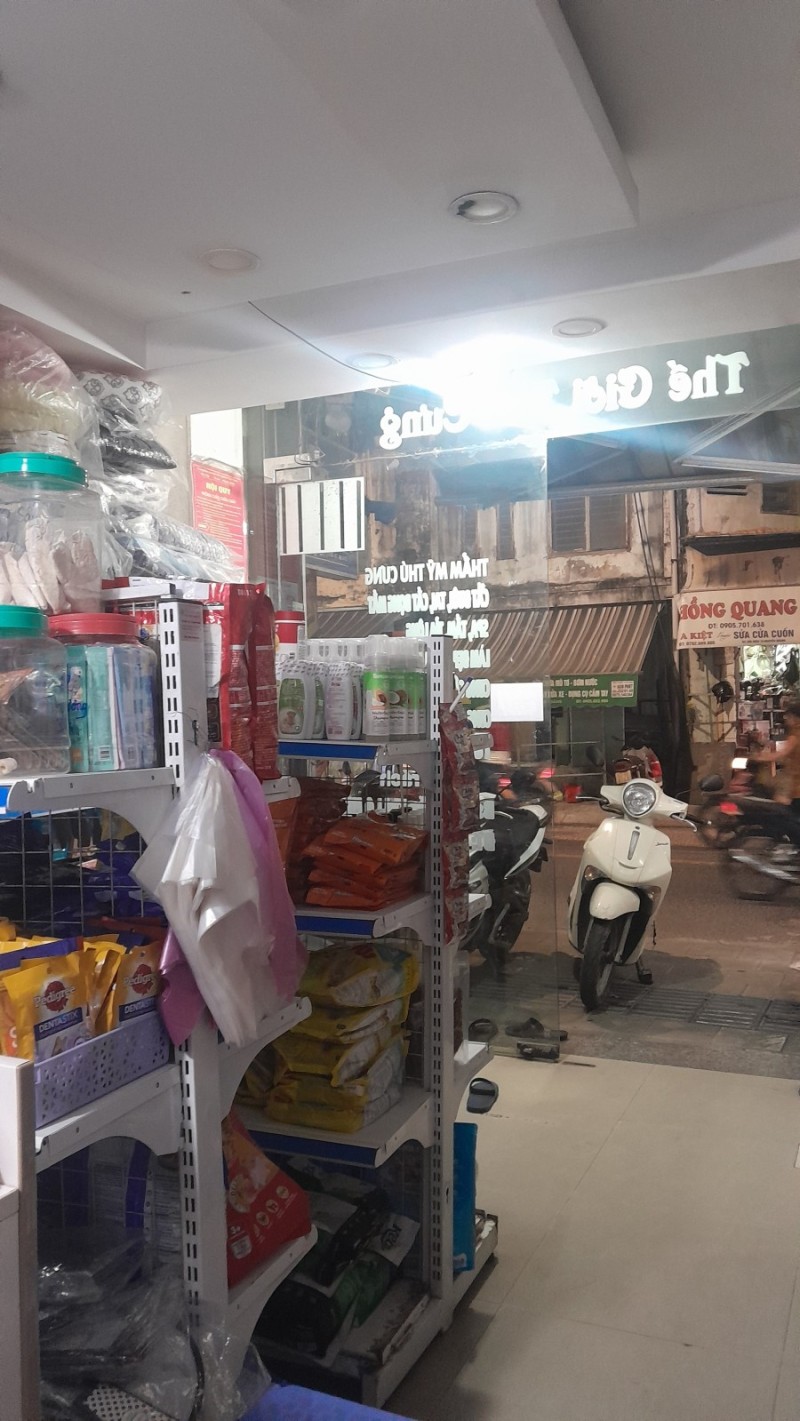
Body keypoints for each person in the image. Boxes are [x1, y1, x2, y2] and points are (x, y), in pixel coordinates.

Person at [754, 701, 800, 812]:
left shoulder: (796, 734)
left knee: (780, 806)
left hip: (795, 783)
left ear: (794, 718)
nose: (786, 719)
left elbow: (784, 752)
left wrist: (760, 758)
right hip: (793, 780)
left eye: (788, 716)